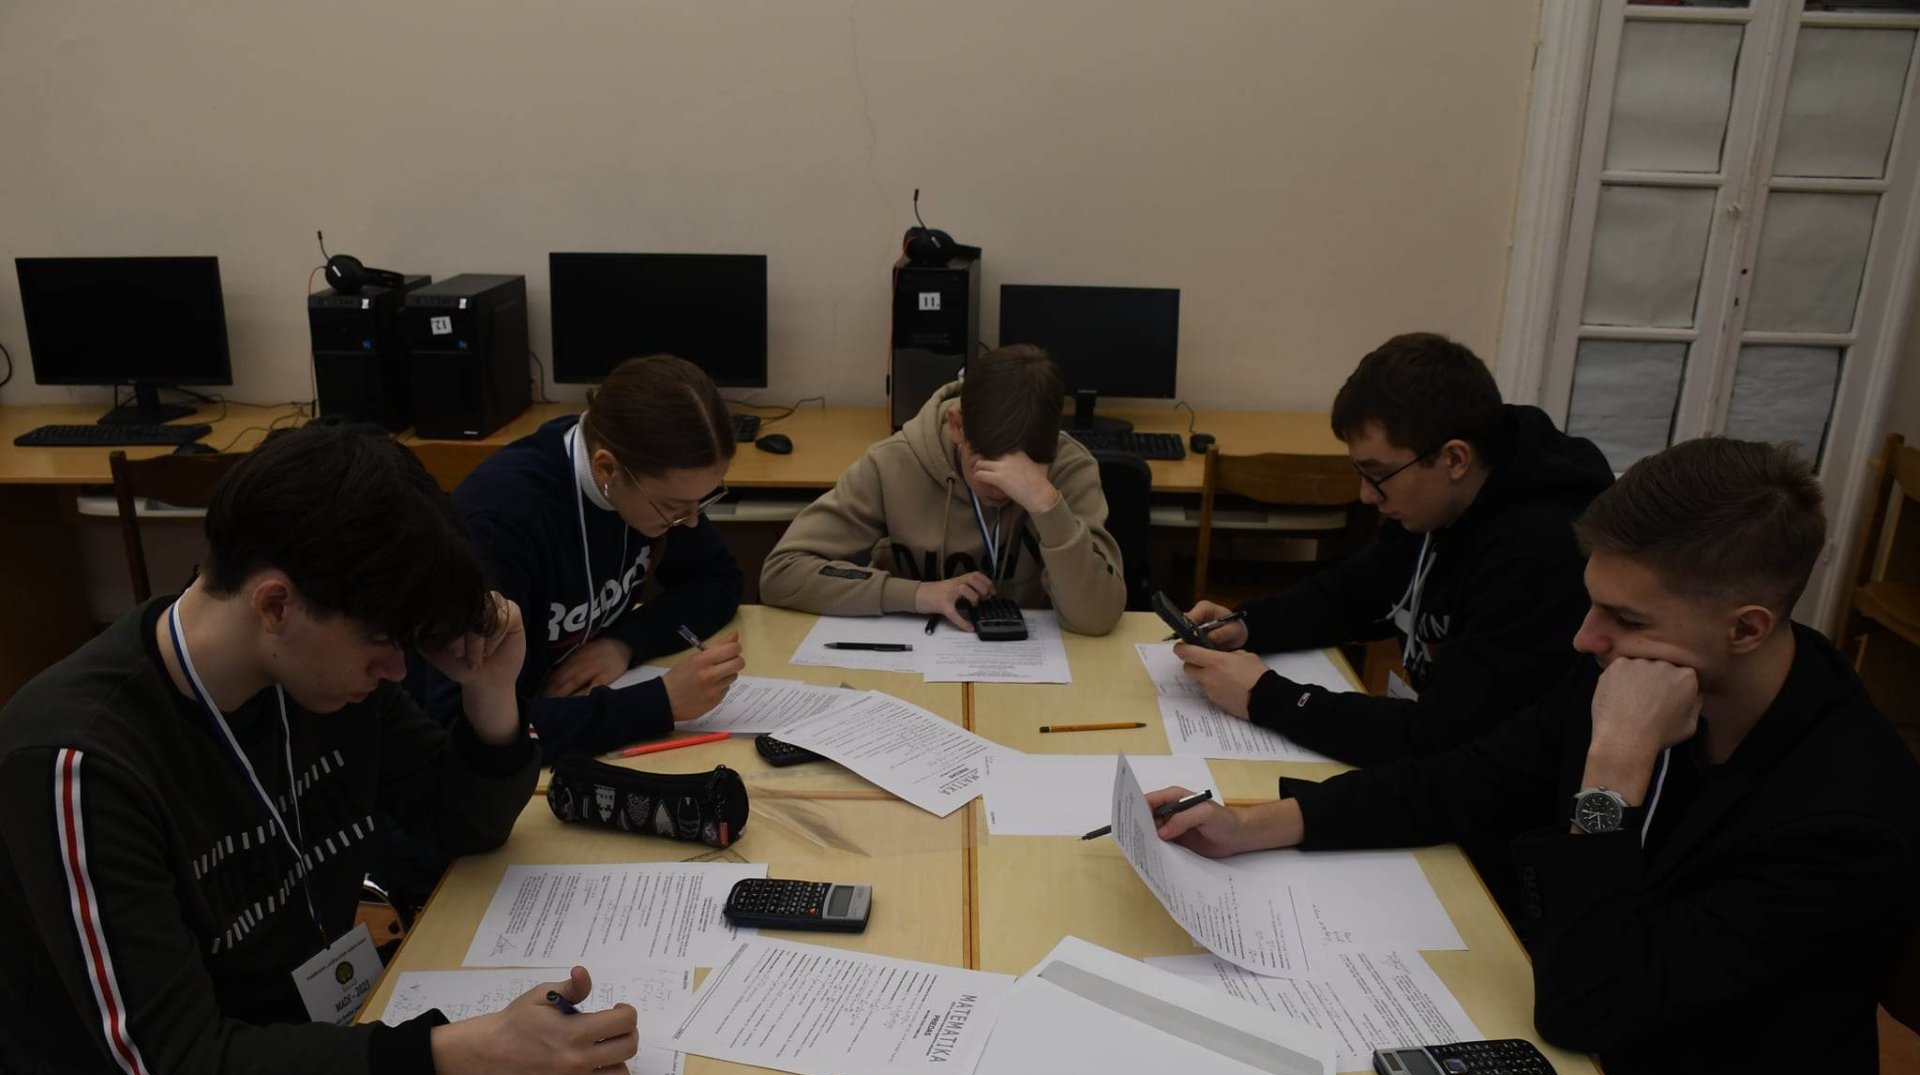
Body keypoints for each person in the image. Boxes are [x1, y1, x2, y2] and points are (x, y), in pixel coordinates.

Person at [1149, 439, 1919, 1075]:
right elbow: (1470, 779)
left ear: (1747, 628)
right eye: (1594, 604)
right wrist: (1257, 824)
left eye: (1626, 618)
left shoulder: (1846, 812)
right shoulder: (1642, 669)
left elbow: (1592, 1003)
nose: (1586, 638)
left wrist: (1612, 773)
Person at [0, 424, 630, 1075]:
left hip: (309, 1046)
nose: (398, 669)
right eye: (381, 643)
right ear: (275, 604)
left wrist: (492, 692)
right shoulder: (79, 764)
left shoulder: (316, 676)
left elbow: (460, 820)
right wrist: (464, 1052)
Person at [1176, 332, 1613, 765]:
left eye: (1378, 474)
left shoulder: (1539, 554)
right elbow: (1358, 589)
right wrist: (1248, 624)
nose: (1366, 495)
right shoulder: (1438, 502)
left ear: (1455, 459)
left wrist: (1263, 695)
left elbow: (1439, 734)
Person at [423, 353, 746, 763]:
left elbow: (719, 580)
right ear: (606, 468)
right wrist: (658, 704)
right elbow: (461, 725)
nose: (691, 520)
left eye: (702, 500)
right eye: (673, 506)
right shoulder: (500, 523)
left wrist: (624, 643)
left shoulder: (641, 482)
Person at [759, 344, 1127, 635]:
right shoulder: (893, 463)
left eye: (1026, 472)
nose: (1005, 485)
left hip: (1034, 666)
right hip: (914, 656)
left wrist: (1047, 504)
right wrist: (915, 594)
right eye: (987, 463)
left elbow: (1097, 618)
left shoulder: (1070, 468)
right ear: (958, 427)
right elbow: (782, 573)